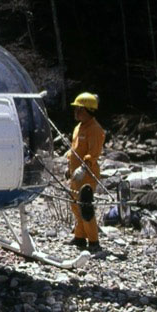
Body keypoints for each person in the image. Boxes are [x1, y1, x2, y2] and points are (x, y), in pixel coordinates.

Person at [64, 92, 105, 253]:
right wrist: (69, 167)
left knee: (85, 207)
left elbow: (94, 152)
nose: (76, 112)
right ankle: (80, 237)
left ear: (89, 110)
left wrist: (84, 167)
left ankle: (93, 241)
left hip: (87, 174)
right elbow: (74, 150)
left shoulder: (95, 129)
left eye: (79, 109)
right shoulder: (78, 127)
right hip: (75, 174)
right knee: (75, 205)